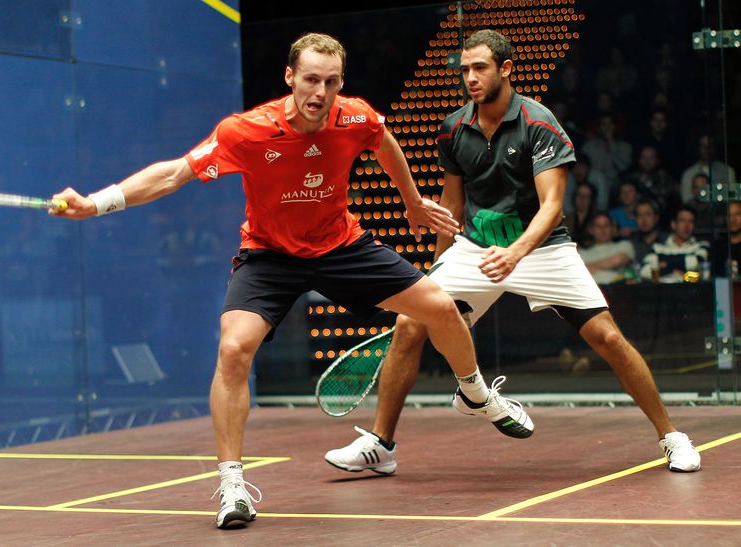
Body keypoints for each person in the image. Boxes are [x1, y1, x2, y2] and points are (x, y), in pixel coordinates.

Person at [49, 32, 534, 529]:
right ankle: (233, 485)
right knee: (234, 349)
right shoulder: (247, 131)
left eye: (330, 82)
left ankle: (475, 393)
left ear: (340, 83)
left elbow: (383, 142)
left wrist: (410, 200)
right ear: (290, 78)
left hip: (341, 246)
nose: (319, 92)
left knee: (439, 306)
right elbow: (175, 173)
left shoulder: (356, 116)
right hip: (270, 256)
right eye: (310, 80)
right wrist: (97, 202)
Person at [325, 29, 701, 477]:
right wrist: (434, 270)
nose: (470, 77)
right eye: (464, 69)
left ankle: (671, 435)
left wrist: (517, 252)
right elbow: (452, 207)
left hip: (542, 249)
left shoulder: (540, 124)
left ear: (506, 69)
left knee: (608, 339)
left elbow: (553, 207)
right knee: (410, 323)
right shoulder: (454, 128)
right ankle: (381, 445)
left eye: (479, 68)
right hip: (477, 248)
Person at [640, 205, 709, 283]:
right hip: (664, 293)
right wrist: (672, 272)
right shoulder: (658, 247)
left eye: (691, 221)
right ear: (673, 224)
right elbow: (644, 271)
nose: (687, 226)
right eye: (682, 221)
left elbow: (698, 265)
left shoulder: (701, 246)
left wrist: (665, 264)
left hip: (692, 293)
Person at [579, 212, 635, 284]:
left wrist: (588, 267)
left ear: (612, 229)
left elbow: (618, 261)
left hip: (619, 289)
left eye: (606, 225)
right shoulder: (582, 253)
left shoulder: (624, 245)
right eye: (598, 226)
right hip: (591, 291)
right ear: (591, 230)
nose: (603, 230)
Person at [628, 198, 668, 269]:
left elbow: (693, 276)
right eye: (639, 215)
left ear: (656, 218)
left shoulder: (669, 240)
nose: (643, 220)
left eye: (648, 214)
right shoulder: (630, 244)